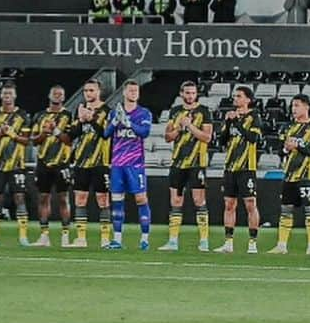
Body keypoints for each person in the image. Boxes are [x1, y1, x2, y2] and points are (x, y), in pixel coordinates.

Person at [159, 80, 213, 253]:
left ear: (196, 94)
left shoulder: (204, 112)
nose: (190, 96)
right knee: (175, 201)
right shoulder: (175, 112)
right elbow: (167, 137)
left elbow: (207, 137)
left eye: (193, 93)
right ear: (181, 94)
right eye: (187, 93)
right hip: (178, 163)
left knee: (199, 201)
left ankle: (204, 241)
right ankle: (173, 241)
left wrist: (189, 126)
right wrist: (180, 129)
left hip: (197, 163)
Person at [268, 94, 310, 255]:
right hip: (289, 175)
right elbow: (280, 152)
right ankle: (282, 245)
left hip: (307, 175)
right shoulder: (288, 127)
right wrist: (286, 149)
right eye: (292, 106)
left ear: (307, 107)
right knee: (285, 209)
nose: (294, 109)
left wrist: (297, 147)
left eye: (297, 105)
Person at [104, 80, 153, 251]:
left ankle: (144, 239)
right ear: (124, 93)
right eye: (131, 90)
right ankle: (117, 239)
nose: (134, 93)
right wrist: (115, 122)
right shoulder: (114, 113)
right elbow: (106, 134)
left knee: (141, 199)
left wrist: (128, 123)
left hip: (135, 164)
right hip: (117, 164)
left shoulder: (144, 113)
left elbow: (145, 132)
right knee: (117, 201)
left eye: (136, 90)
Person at [214, 86, 262, 255]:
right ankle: (228, 242)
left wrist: (236, 122)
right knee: (229, 204)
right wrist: (227, 123)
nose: (235, 99)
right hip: (230, 167)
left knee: (250, 204)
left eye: (239, 96)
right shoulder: (230, 116)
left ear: (248, 99)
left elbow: (253, 138)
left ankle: (253, 242)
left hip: (247, 167)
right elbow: (221, 141)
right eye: (235, 96)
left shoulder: (254, 116)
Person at [0, 83, 31, 247]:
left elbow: (26, 141)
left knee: (19, 197)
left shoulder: (23, 116)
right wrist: (0, 134)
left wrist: (12, 134)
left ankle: (23, 236)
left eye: (10, 93)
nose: (7, 96)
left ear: (15, 96)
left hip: (17, 164)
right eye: (5, 94)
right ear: (1, 96)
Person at [68, 79, 112, 249]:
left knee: (103, 200)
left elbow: (106, 134)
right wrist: (80, 120)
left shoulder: (107, 111)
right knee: (80, 199)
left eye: (92, 90)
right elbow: (72, 135)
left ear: (99, 92)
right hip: (81, 161)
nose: (88, 93)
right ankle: (81, 238)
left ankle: (105, 238)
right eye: (86, 90)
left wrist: (92, 119)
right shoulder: (78, 109)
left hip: (101, 161)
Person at [30, 85, 73, 248]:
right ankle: (44, 235)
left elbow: (70, 139)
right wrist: (43, 133)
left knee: (63, 198)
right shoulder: (40, 116)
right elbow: (34, 141)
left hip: (62, 162)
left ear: (63, 97)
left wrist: (55, 131)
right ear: (49, 95)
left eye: (60, 94)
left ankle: (65, 235)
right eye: (54, 93)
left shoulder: (68, 116)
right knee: (43, 198)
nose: (57, 96)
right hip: (43, 162)